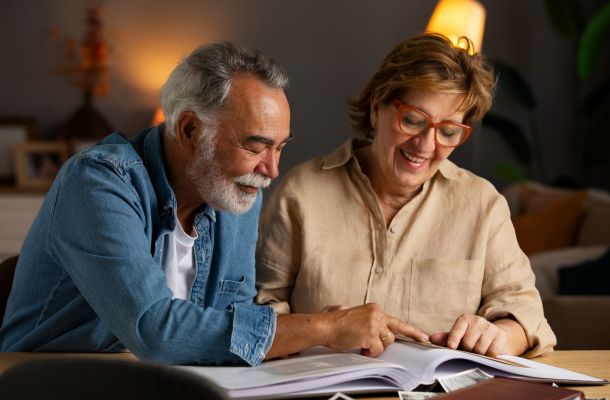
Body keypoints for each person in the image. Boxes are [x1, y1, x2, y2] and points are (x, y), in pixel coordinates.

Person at [0, 42, 427, 365]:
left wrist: (313, 329)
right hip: (47, 379)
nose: (271, 170)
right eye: (256, 145)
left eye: (280, 148)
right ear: (189, 130)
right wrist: (320, 327)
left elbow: (230, 322)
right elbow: (156, 330)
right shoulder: (98, 182)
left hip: (159, 382)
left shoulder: (235, 193)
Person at [256, 33, 557, 358]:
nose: (426, 145)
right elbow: (251, 315)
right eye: (412, 120)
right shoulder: (301, 193)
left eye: (448, 131)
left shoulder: (482, 205)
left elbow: (526, 316)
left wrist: (499, 335)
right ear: (375, 109)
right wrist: (321, 327)